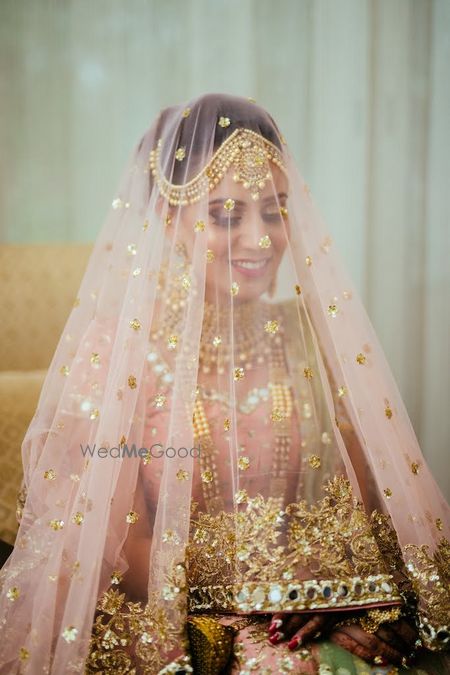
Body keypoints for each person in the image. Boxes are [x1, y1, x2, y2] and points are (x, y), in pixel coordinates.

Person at [0, 93, 448, 675]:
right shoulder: (121, 352)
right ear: (169, 216)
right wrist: (269, 592)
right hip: (177, 621)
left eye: (276, 208)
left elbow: (372, 506)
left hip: (309, 615)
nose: (261, 239)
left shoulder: (311, 338)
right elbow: (114, 551)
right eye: (227, 215)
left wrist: (347, 594)